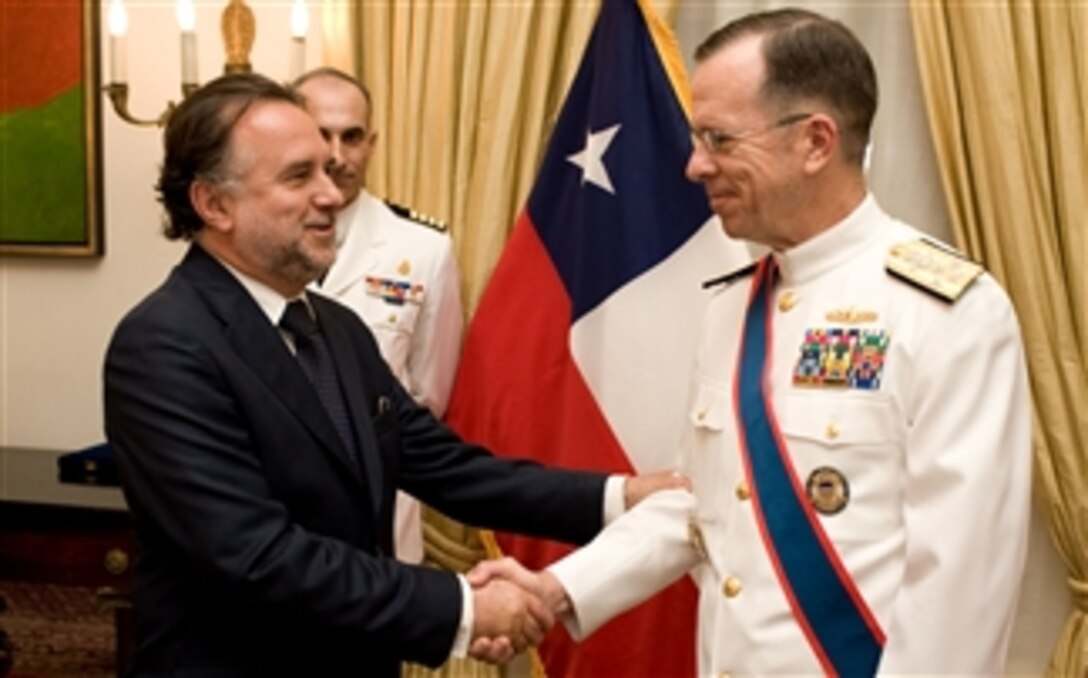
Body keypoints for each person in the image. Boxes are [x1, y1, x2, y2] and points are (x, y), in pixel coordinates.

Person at [470, 9, 1032, 676]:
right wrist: (557, 588)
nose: (694, 165)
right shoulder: (732, 304)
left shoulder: (947, 312)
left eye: (719, 139)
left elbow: (960, 589)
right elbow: (700, 507)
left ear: (816, 142)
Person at [103, 72, 684, 678]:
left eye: (329, 170)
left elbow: (449, 468)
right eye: (299, 177)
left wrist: (620, 497)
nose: (331, 193)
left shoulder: (335, 328)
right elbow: (256, 555)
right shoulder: (164, 346)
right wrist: (465, 609)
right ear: (213, 204)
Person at [292, 67, 463, 565]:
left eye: (352, 137)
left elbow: (431, 394)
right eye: (321, 135)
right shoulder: (260, 238)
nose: (337, 155)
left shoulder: (425, 249)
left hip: (382, 514)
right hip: (284, 516)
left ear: (372, 143)